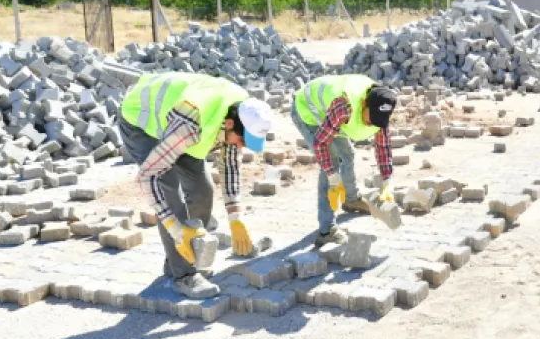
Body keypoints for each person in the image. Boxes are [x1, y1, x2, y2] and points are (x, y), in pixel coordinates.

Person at [119, 72, 273, 299]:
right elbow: (148, 177)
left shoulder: (240, 109)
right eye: (242, 141)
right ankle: (183, 275)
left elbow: (229, 164)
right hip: (141, 123)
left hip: (176, 127)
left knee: (203, 190)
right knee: (169, 190)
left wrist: (235, 216)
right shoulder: (190, 124)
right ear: (229, 125)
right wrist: (175, 228)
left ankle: (179, 257)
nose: (242, 147)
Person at [292, 74, 398, 247]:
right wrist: (333, 177)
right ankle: (326, 230)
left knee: (347, 154)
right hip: (307, 111)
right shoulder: (344, 106)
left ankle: (351, 199)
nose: (372, 124)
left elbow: (383, 146)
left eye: (378, 121)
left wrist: (387, 182)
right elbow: (320, 143)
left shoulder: (380, 106)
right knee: (331, 163)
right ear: (364, 104)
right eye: (371, 119)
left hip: (330, 115)